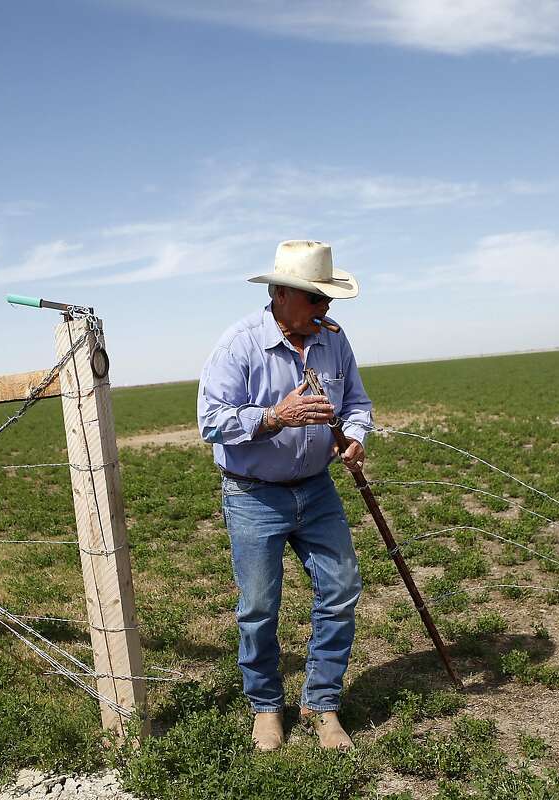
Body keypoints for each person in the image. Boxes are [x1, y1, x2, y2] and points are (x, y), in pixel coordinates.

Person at [197, 240, 373, 751]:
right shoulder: (238, 345)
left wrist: (357, 434)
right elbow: (210, 422)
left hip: (317, 490)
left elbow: (357, 401)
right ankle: (266, 708)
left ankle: (322, 704)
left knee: (340, 591)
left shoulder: (333, 341)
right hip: (254, 495)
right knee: (258, 608)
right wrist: (276, 417)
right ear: (280, 294)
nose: (325, 310)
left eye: (328, 300)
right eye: (316, 299)